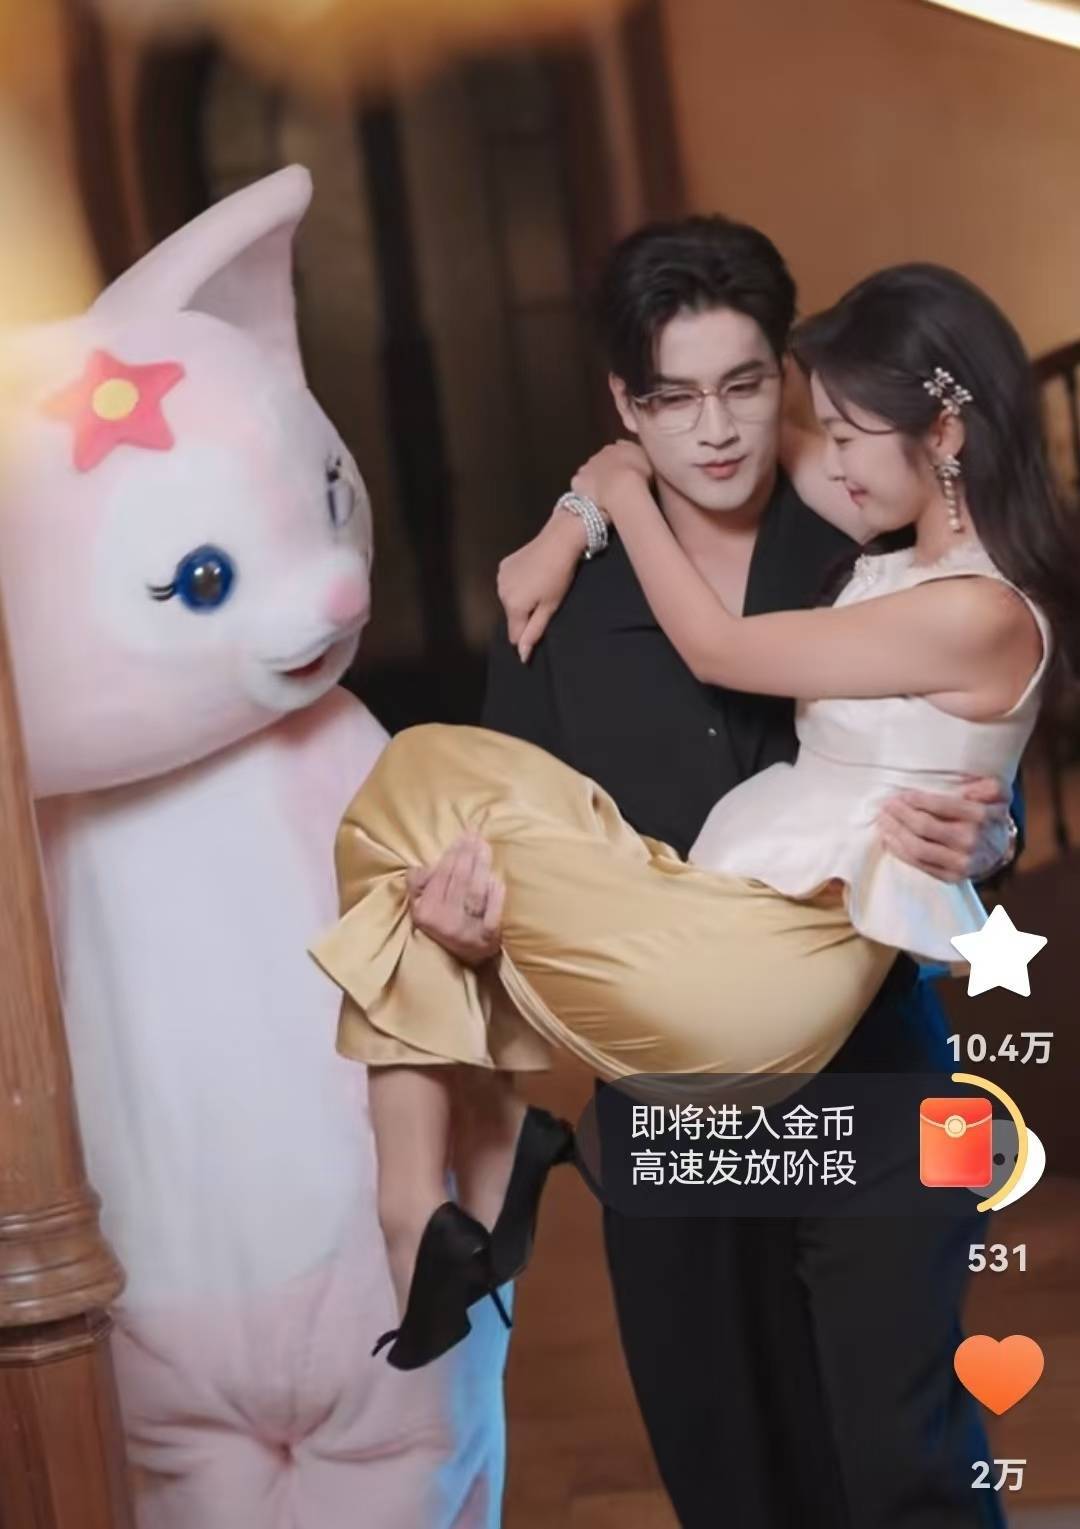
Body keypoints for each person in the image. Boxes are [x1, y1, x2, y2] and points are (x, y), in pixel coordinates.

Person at [318, 229, 1062, 1525]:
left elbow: (962, 734)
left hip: (878, 1074)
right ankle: (440, 1184)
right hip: (673, 1108)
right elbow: (515, 841)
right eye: (672, 398)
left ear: (784, 382)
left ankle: (438, 1185)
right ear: (625, 403)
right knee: (730, 1477)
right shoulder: (557, 601)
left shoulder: (857, 514)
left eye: (746, 386)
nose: (717, 430)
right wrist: (465, 926)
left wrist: (989, 836)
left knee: (909, 1463)